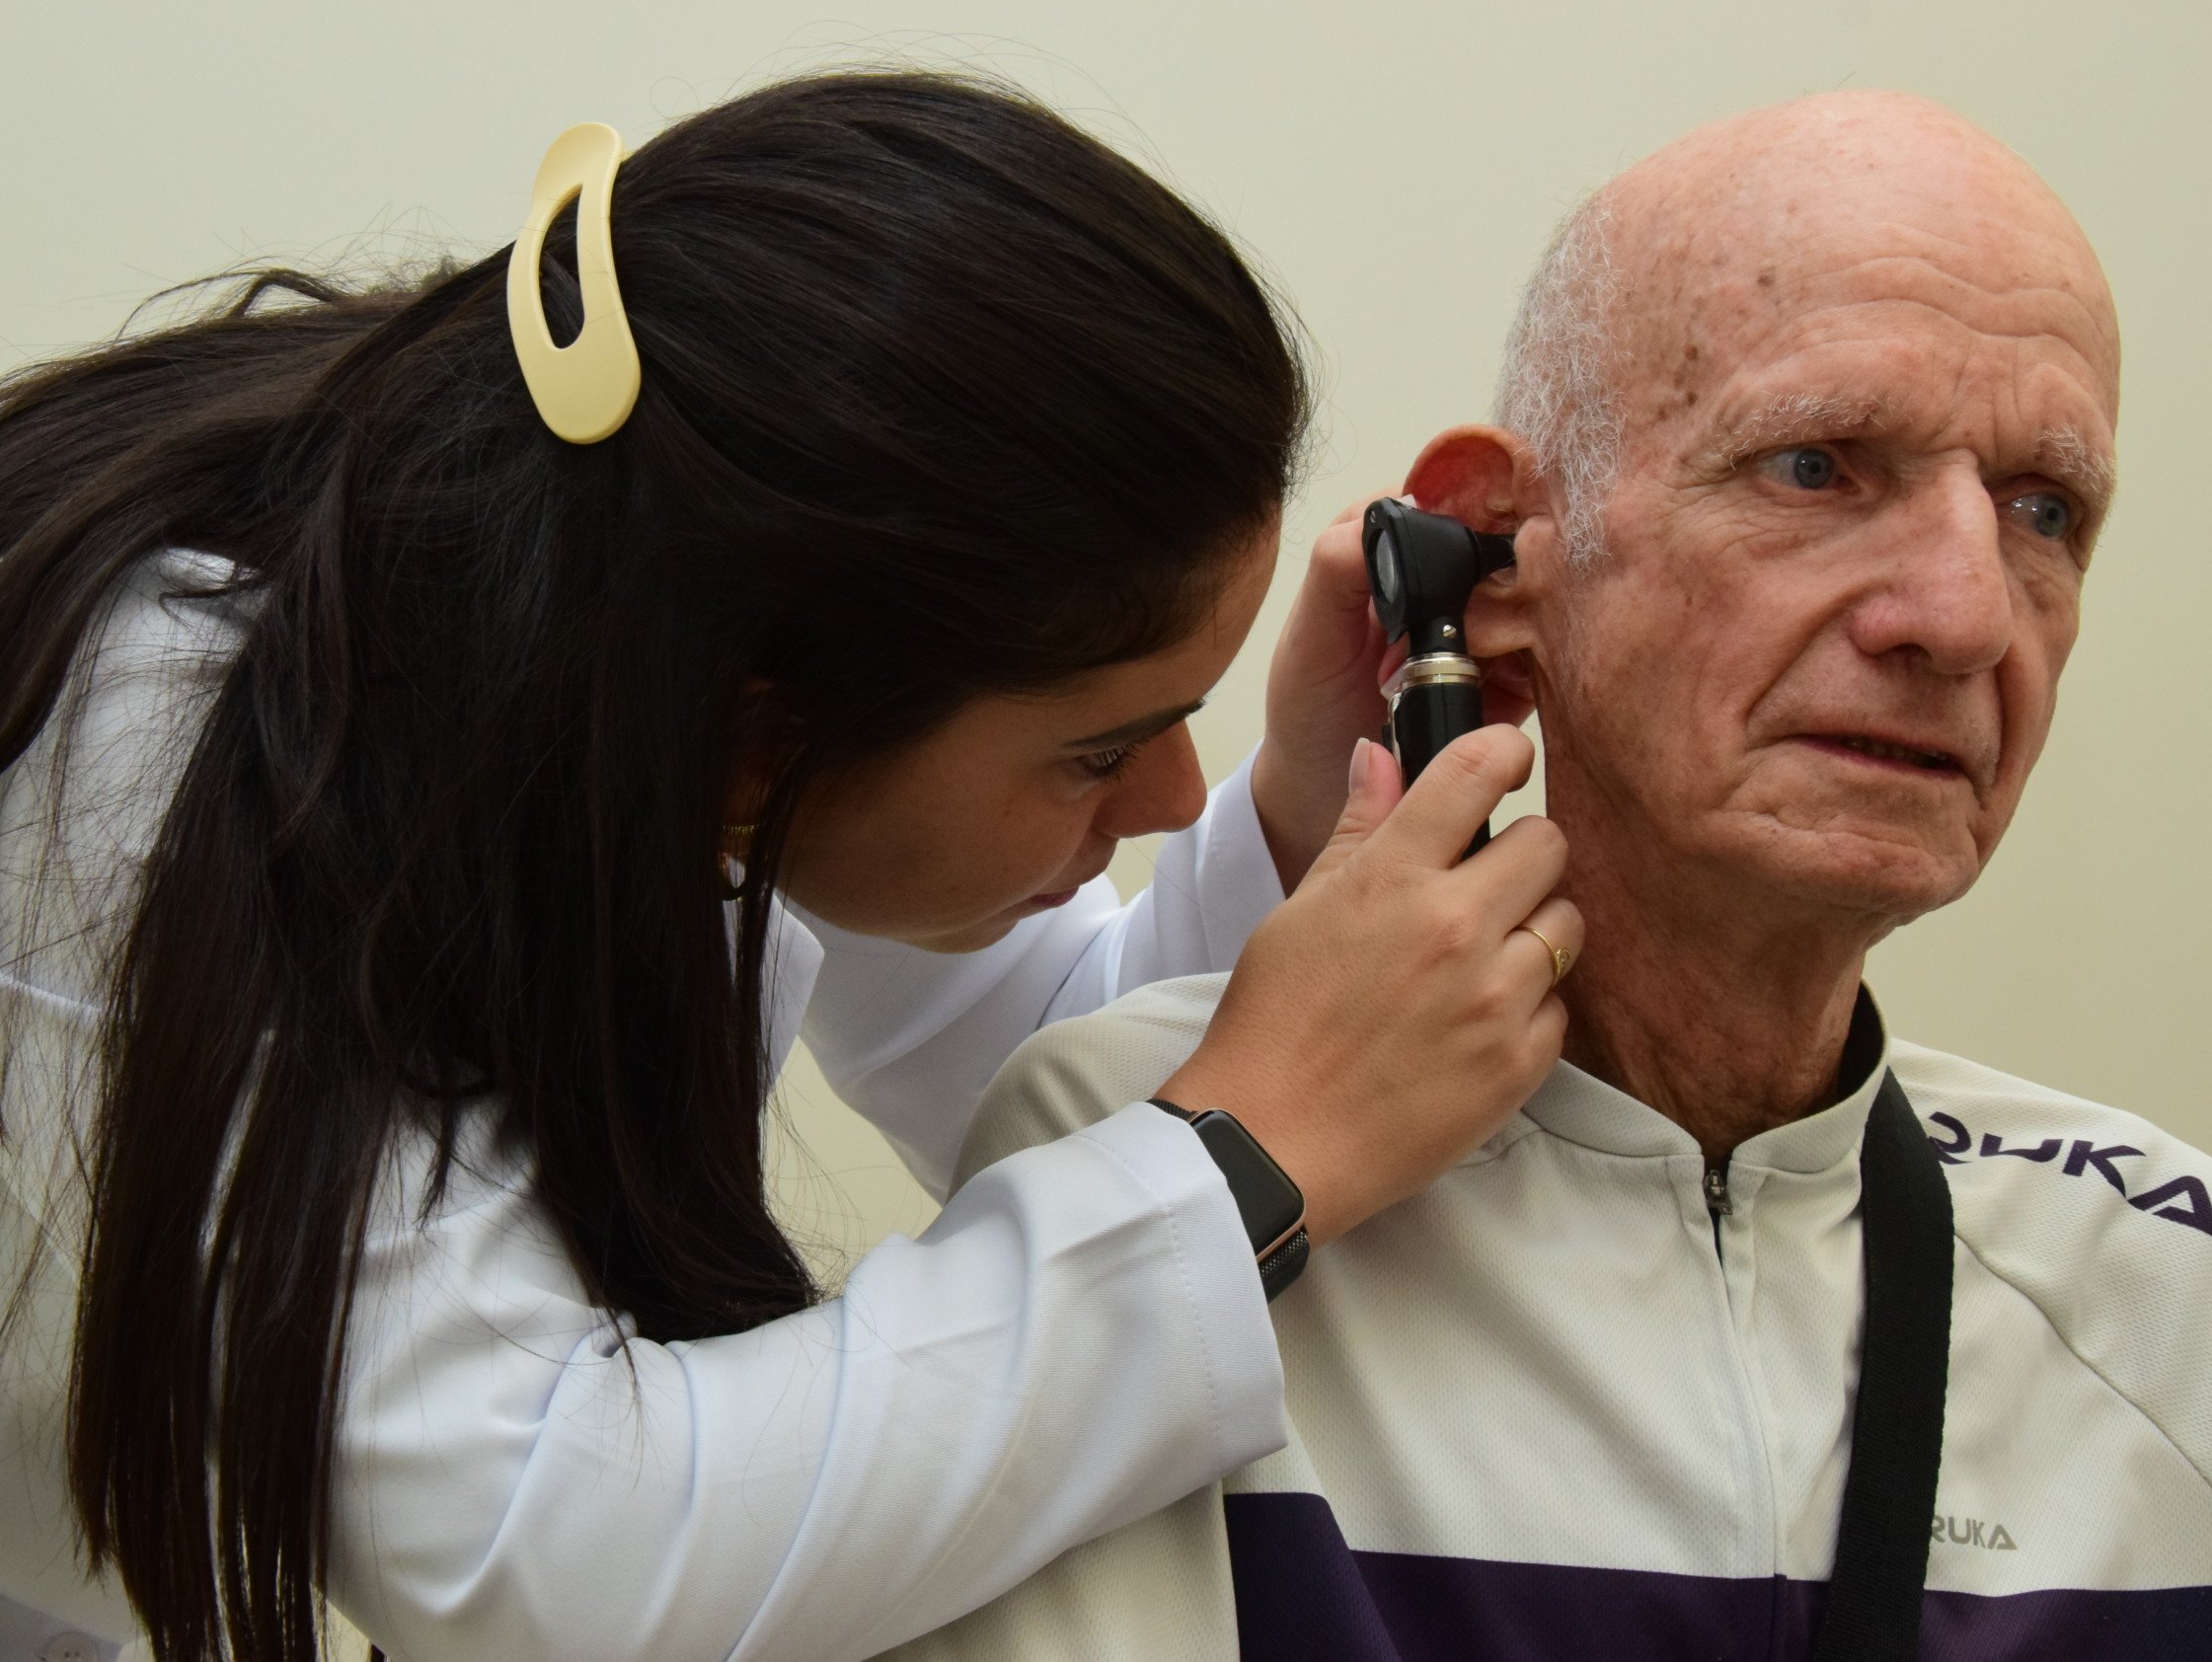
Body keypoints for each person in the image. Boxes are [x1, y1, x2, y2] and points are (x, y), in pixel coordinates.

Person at [0, 73, 1579, 1662]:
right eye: (1104, 744)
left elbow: (1023, 1056)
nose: (1168, 794)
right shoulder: (128, 756)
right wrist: (1252, 1164)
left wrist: (1301, 805)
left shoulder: (643, 598)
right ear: (762, 720)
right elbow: (545, 1552)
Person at [880, 91, 2212, 1661]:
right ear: (1497, 562)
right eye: (1817, 467)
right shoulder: (1143, 1174)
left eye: (2043, 510)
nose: (1966, 614)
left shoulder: (2163, 1278)